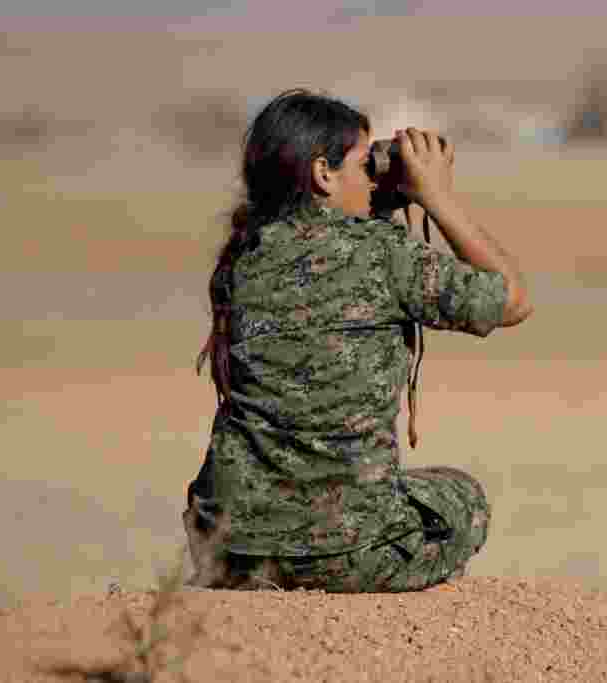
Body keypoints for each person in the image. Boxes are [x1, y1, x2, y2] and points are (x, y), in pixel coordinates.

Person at [183, 88, 533, 593]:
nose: (376, 173)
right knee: (463, 498)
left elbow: (321, 255)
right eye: (366, 163)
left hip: (229, 550)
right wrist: (436, 197)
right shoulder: (384, 255)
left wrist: (381, 197)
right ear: (323, 174)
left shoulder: (241, 259)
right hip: (349, 554)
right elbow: (514, 300)